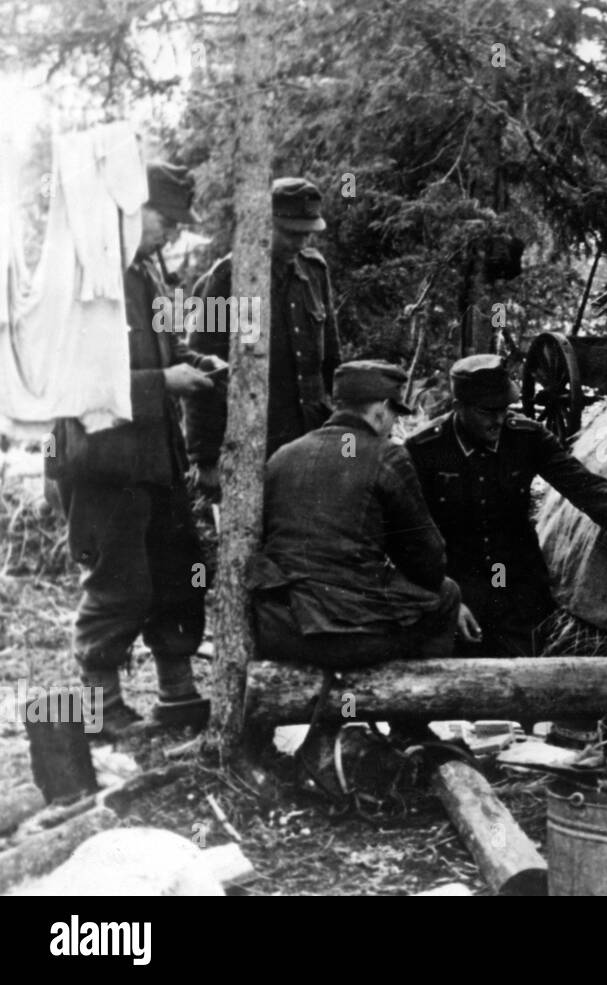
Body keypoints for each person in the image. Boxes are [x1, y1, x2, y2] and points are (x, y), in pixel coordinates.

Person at [47, 162, 219, 737]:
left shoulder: (147, 269)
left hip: (156, 459)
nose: (171, 233)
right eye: (164, 220)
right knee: (118, 582)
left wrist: (196, 364)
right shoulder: (85, 275)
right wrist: (162, 385)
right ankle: (101, 707)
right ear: (128, 206)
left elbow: (166, 347)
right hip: (102, 464)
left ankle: (178, 691)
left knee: (182, 570)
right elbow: (74, 380)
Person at [405, 354, 607, 656]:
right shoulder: (423, 450)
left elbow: (580, 482)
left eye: (503, 409)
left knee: (525, 675)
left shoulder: (526, 436)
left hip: (518, 587)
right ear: (459, 407)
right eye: (487, 411)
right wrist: (443, 597)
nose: (498, 420)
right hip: (457, 586)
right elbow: (406, 535)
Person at [248, 361, 468, 667]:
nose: (392, 425)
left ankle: (333, 709)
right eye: (394, 414)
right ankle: (409, 705)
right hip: (351, 636)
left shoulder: (283, 455)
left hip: (281, 629)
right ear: (380, 409)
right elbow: (427, 560)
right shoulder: (387, 456)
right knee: (447, 594)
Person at [184, 177, 341, 492]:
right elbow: (202, 371)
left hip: (311, 434)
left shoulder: (314, 271)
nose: (299, 243)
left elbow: (332, 359)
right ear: (262, 224)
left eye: (306, 234)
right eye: (289, 233)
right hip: (255, 441)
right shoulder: (227, 279)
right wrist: (206, 458)